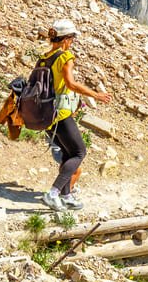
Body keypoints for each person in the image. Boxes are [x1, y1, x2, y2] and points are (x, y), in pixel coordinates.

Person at [39, 18, 111, 211]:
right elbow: (70, 84)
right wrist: (96, 94)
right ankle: (52, 193)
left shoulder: (44, 57)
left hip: (45, 114)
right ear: (65, 39)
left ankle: (67, 195)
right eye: (72, 39)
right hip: (60, 112)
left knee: (67, 154)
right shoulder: (65, 56)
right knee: (80, 152)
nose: (72, 43)